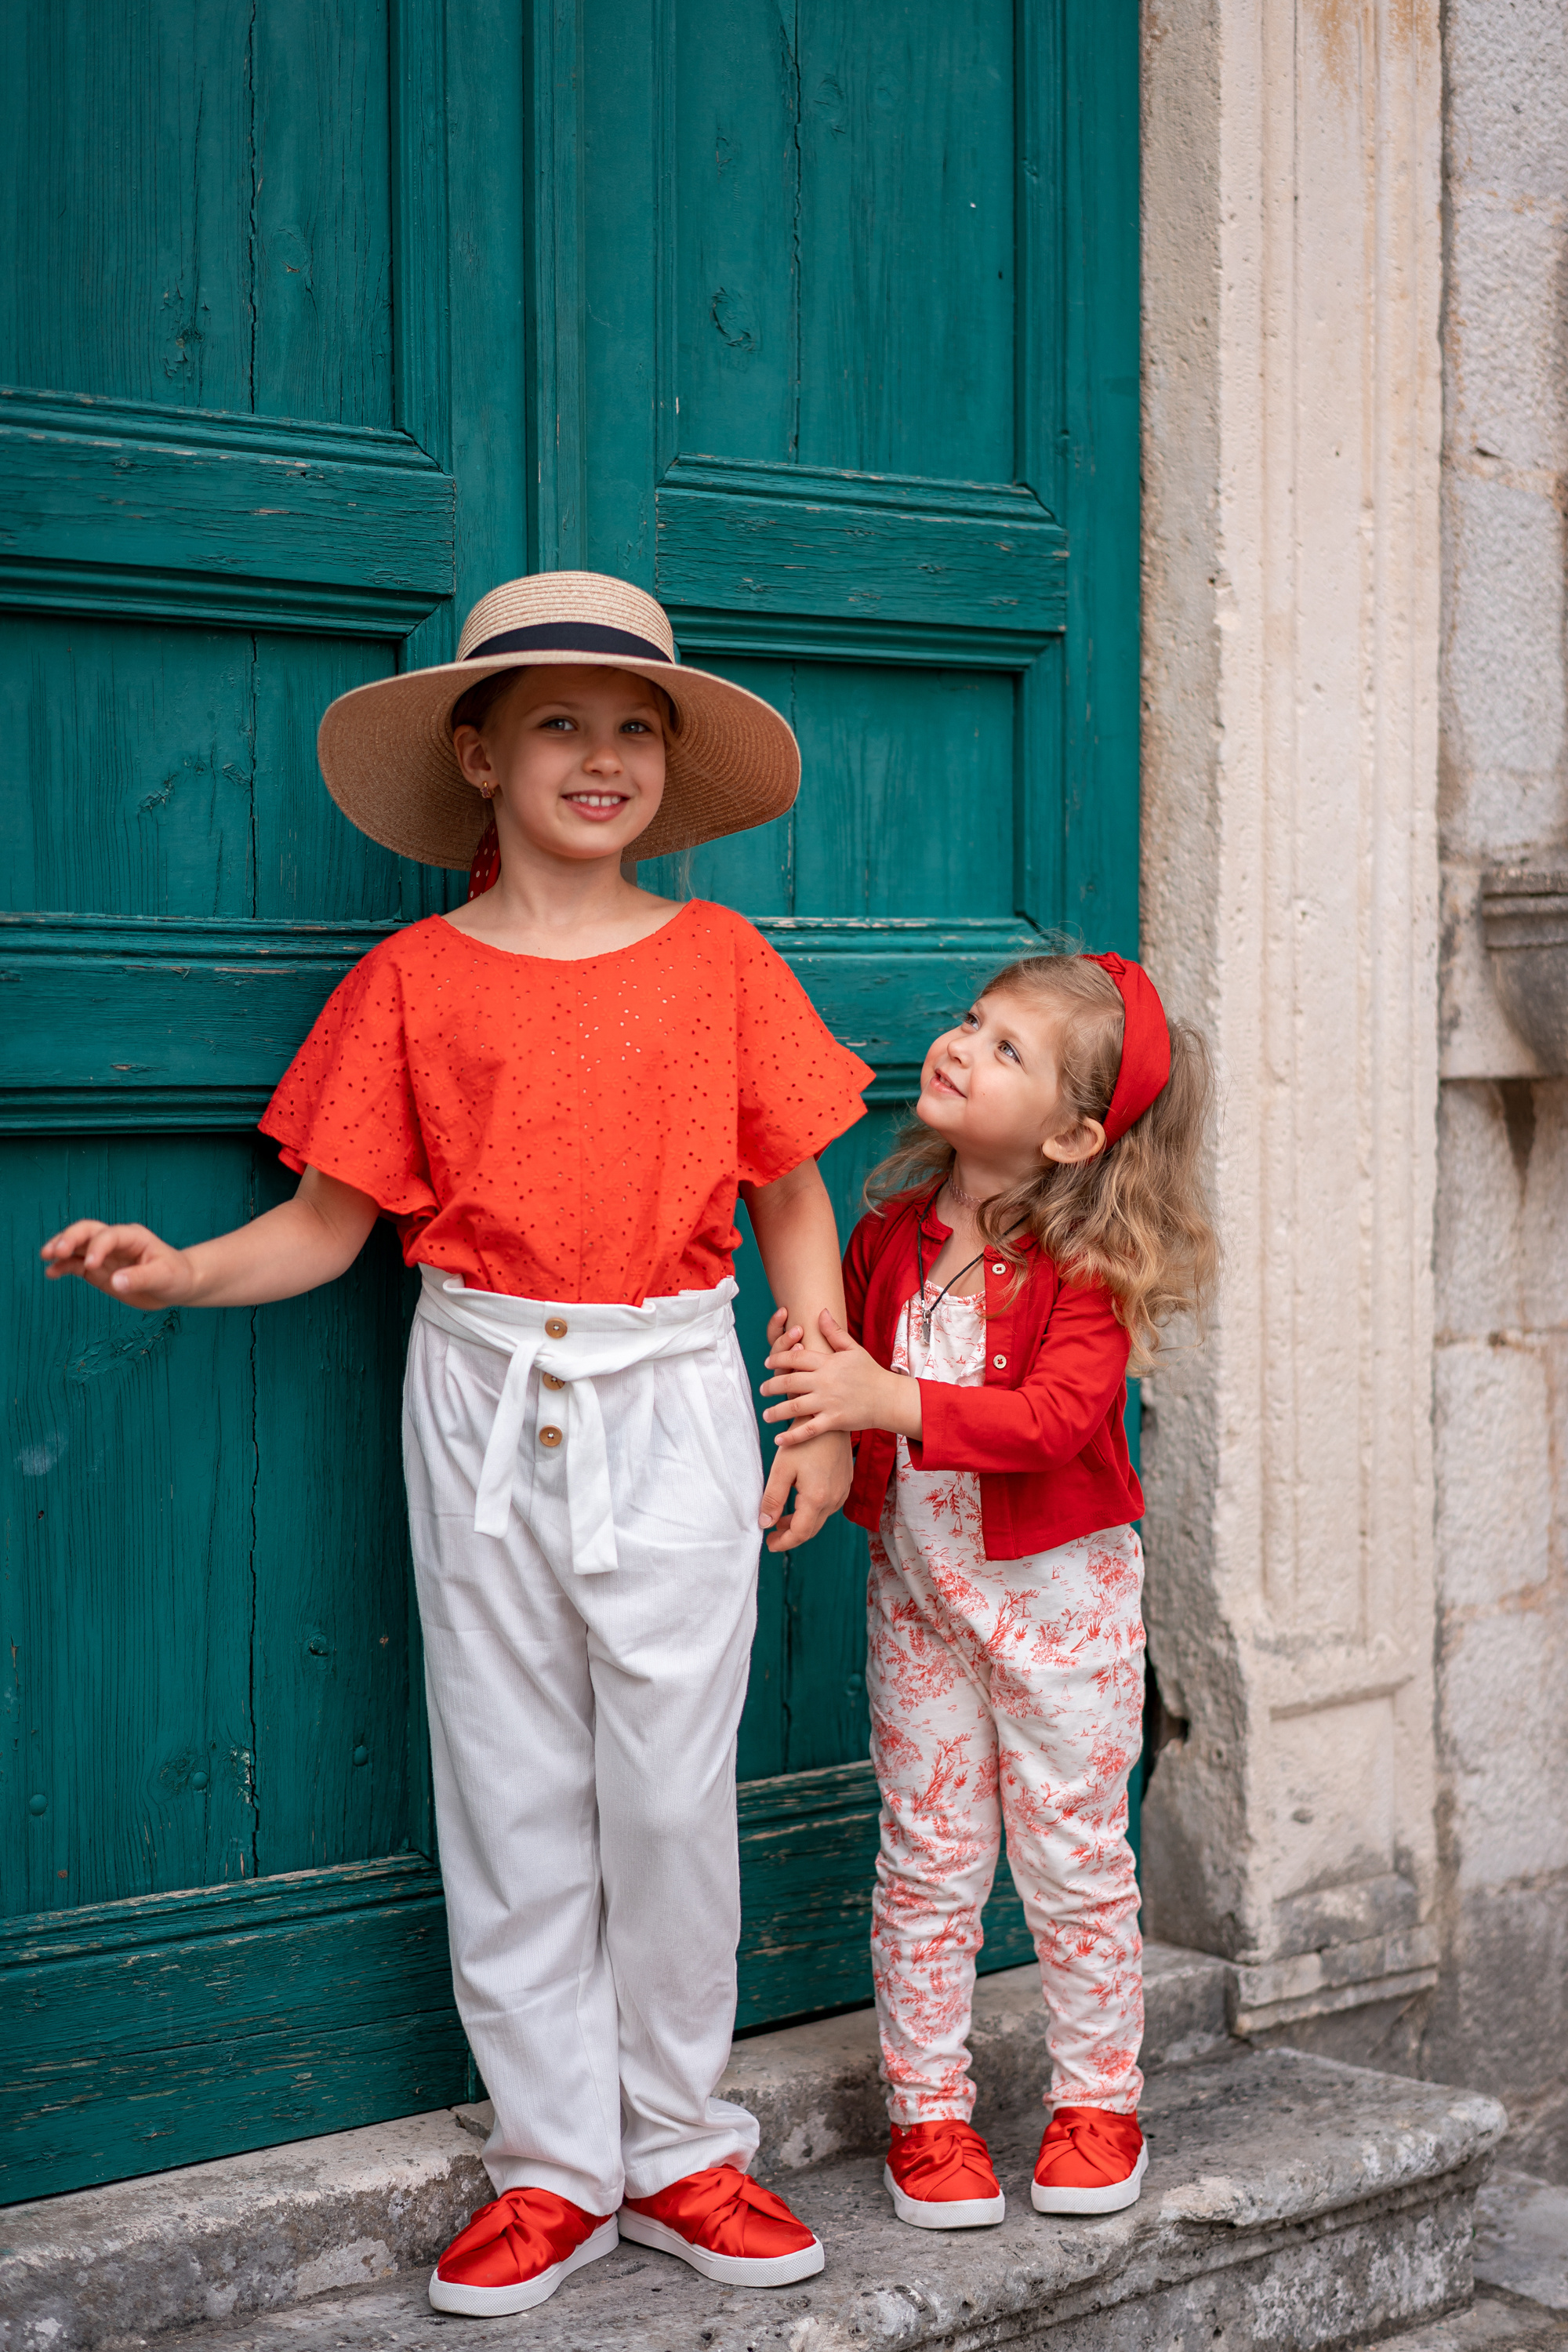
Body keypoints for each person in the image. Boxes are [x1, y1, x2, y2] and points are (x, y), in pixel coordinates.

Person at [41, 572, 874, 2315]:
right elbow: (325, 1228)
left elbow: (791, 1194)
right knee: (506, 1788)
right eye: (557, 722)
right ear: (478, 757)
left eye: (634, 724)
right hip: (483, 1394)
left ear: (668, 763)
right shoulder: (411, 982)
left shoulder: (721, 957)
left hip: (672, 1394)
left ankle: (678, 2149)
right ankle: (553, 2164)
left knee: (665, 1792)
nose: (601, 755)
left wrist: (813, 1387)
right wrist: (183, 1271)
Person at [760, 951, 1214, 2228]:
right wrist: (816, 1425)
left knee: (1074, 1857)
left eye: (1008, 1048)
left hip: (1059, 1612)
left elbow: (1063, 1418)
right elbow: (831, 1360)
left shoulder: (1085, 1266)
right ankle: (931, 2113)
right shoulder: (890, 1229)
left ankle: (1097, 2104)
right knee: (929, 1858)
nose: (962, 1046)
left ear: (1074, 1135)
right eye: (973, 1022)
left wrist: (887, 1402)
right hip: (920, 1604)